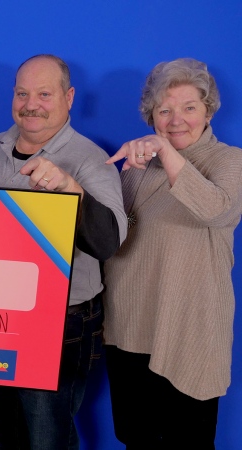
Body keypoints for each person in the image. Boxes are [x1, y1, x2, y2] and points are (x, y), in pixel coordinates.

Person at [0, 54, 127, 450]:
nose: (31, 104)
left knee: (46, 439)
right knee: (0, 432)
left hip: (61, 322)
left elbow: (109, 242)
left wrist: (71, 190)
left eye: (44, 93)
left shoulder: (91, 159)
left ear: (69, 97)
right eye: (22, 93)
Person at [103, 58, 242, 449]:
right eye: (164, 110)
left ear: (209, 110)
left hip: (188, 333)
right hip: (130, 327)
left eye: (189, 107)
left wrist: (163, 149)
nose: (176, 119)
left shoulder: (231, 161)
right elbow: (114, 237)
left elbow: (216, 209)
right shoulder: (135, 167)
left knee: (189, 443)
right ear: (151, 115)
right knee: (137, 440)